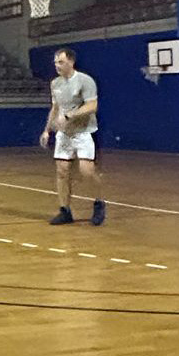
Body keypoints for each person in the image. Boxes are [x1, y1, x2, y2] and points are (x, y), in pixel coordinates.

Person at [39, 47, 106, 226]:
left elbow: (92, 106)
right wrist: (47, 130)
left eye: (60, 62)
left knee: (87, 170)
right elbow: (55, 108)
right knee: (62, 171)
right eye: (55, 62)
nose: (57, 65)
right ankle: (65, 210)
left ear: (71, 62)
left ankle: (99, 202)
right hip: (64, 134)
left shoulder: (85, 81)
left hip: (83, 132)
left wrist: (71, 115)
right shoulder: (55, 84)